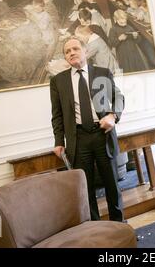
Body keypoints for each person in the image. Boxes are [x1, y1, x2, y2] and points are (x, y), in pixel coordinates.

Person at [50, 36, 124, 222]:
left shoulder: (102, 73)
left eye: (75, 48)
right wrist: (59, 142)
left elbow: (118, 98)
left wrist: (112, 116)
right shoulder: (58, 81)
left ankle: (119, 225)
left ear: (85, 51)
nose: (72, 53)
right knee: (85, 188)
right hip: (78, 139)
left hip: (103, 134)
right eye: (67, 51)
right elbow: (57, 114)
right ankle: (96, 230)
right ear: (66, 57)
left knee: (112, 184)